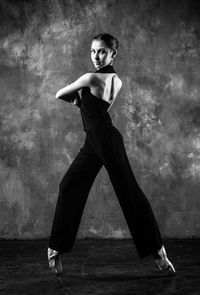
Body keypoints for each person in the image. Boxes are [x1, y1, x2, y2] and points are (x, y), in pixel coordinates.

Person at [47, 33, 176, 276]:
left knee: (128, 191)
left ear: (113, 54)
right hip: (95, 140)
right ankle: (56, 248)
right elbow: (98, 108)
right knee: (69, 184)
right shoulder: (117, 80)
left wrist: (78, 100)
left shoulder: (90, 77)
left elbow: (59, 94)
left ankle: (158, 251)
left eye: (102, 51)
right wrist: (82, 103)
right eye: (94, 51)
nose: (96, 56)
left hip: (104, 139)